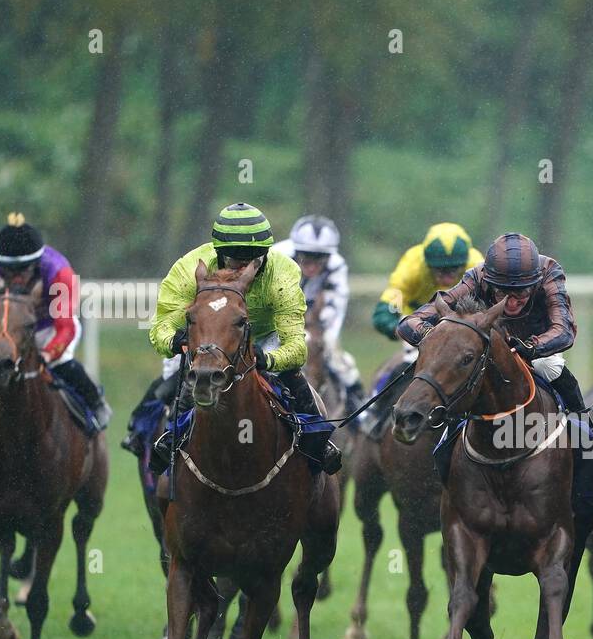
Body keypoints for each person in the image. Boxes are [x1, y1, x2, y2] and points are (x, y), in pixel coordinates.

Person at [147, 202, 339, 473]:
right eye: (234, 257)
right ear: (219, 253)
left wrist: (267, 358)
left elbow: (297, 347)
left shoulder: (282, 273)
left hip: (263, 338)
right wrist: (178, 340)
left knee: (293, 376)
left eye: (250, 259)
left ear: (263, 255)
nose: (241, 266)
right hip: (205, 340)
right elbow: (160, 327)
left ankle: (317, 438)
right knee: (170, 387)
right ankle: (167, 437)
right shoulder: (188, 269)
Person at [399, 231, 588, 413]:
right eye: (502, 292)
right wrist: (435, 338)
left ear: (534, 283)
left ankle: (584, 435)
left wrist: (531, 347)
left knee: (549, 367)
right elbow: (411, 321)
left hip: (538, 347)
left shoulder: (548, 272)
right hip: (486, 349)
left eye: (522, 293)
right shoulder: (477, 277)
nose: (511, 303)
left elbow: (564, 330)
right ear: (489, 282)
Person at [0, 213, 110, 428]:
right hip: (6, 327)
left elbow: (65, 328)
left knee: (61, 363)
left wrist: (48, 355)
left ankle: (95, 403)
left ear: (37, 263)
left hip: (48, 327)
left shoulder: (59, 272)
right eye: (9, 272)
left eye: (24, 271)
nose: (17, 278)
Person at [272, 214, 366, 418]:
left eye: (319, 257)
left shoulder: (337, 265)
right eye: (306, 255)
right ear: (296, 250)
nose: (312, 263)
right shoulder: (276, 256)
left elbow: (335, 310)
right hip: (273, 322)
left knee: (337, 356)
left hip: (313, 323)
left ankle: (360, 408)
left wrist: (326, 338)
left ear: (329, 256)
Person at [371, 222, 483, 348]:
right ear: (427, 264)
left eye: (454, 269)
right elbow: (385, 313)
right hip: (417, 325)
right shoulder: (412, 266)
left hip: (464, 326)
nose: (446, 279)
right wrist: (402, 328)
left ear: (465, 263)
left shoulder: (476, 265)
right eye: (440, 270)